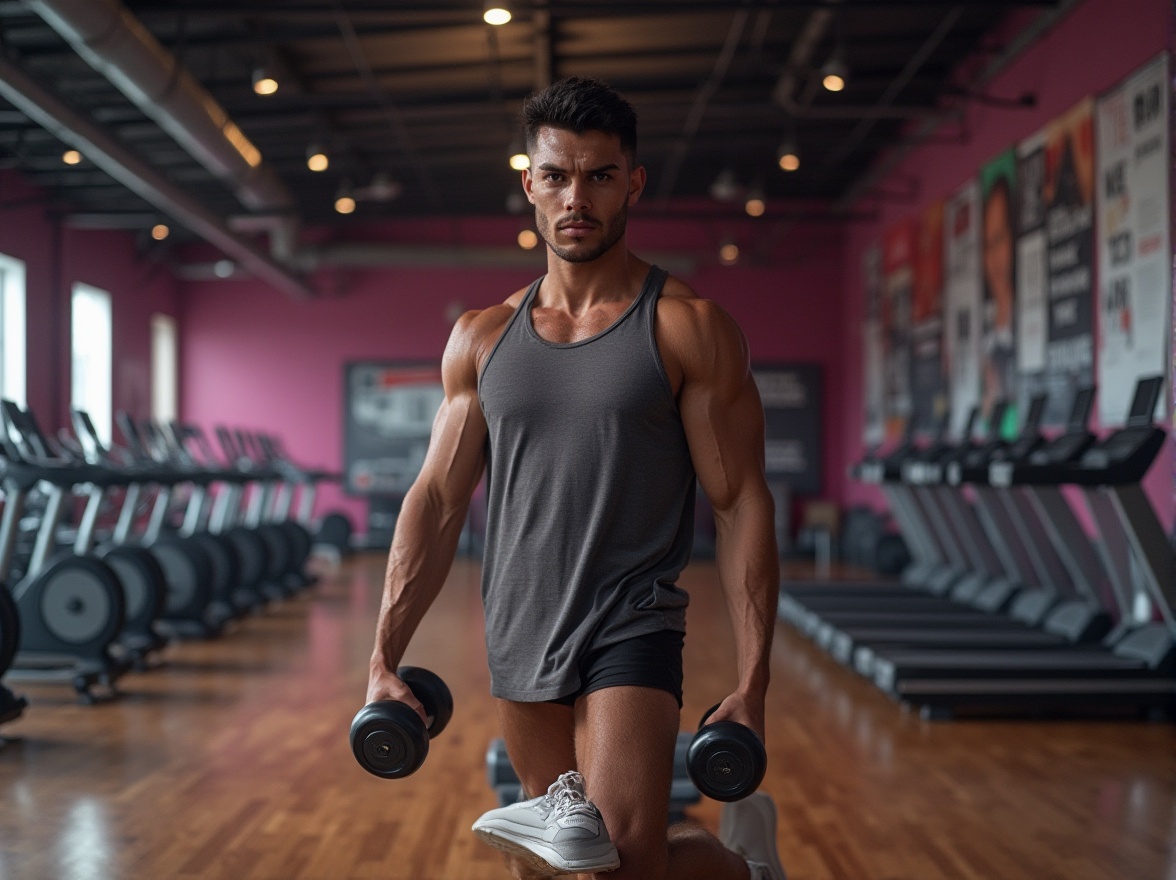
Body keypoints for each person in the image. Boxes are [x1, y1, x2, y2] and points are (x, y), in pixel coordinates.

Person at [365, 76, 785, 880]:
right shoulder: (482, 338)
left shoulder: (687, 327)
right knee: (557, 863)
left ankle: (743, 872)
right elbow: (438, 498)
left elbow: (739, 502)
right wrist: (384, 655)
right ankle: (743, 870)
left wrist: (753, 680)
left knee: (621, 862)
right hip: (521, 624)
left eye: (598, 175)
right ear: (530, 183)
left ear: (632, 183)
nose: (575, 196)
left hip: (633, 618)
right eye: (557, 175)